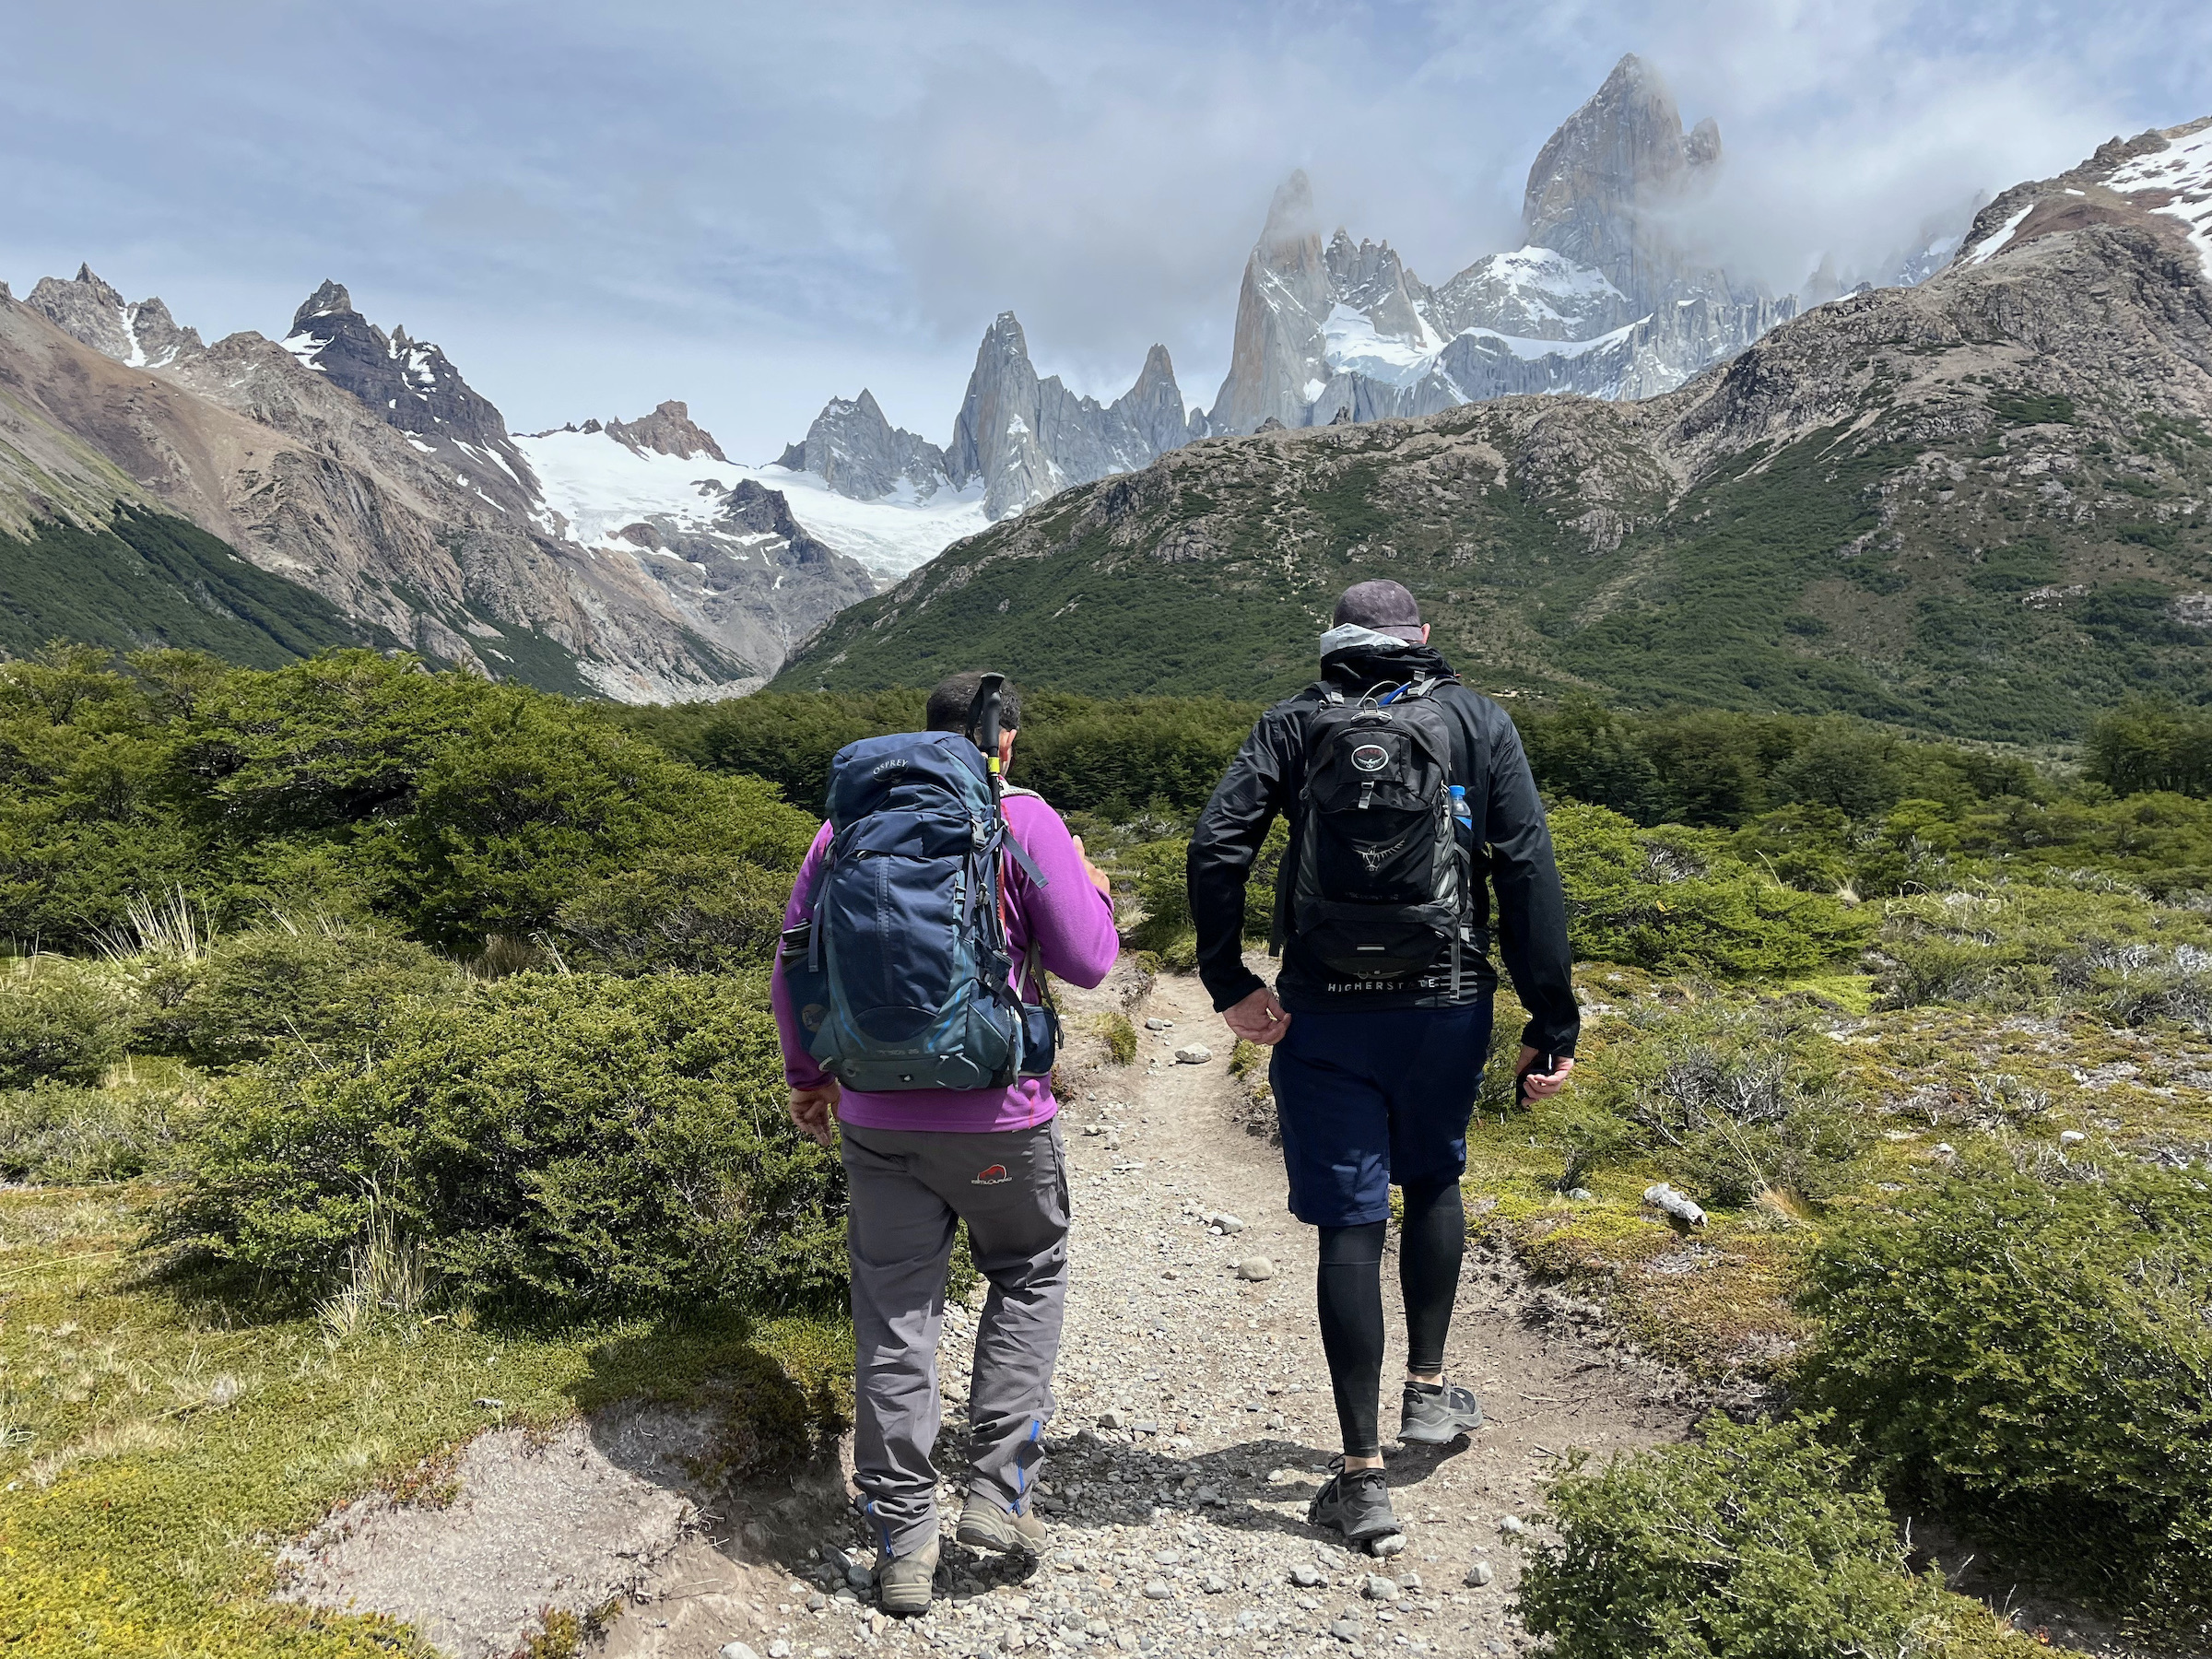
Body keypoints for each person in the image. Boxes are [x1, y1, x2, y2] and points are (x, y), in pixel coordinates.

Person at [1186, 579, 1579, 1550]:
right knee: (1436, 1175)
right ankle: (1430, 1395)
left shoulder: (1293, 724)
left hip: (1323, 1011)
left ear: (1335, 641)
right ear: (1422, 639)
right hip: (1446, 1002)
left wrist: (1228, 977)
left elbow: (1215, 846)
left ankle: (1361, 1479)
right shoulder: (1477, 720)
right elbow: (1526, 865)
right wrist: (1551, 1015)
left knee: (1349, 1228)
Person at [773, 672, 1119, 1617]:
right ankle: (998, 1496)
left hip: (879, 1116)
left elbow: (795, 960)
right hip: (1002, 1113)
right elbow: (1090, 962)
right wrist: (1090, 885)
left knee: (896, 1316)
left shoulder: (842, 827)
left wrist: (810, 1077)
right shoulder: (1022, 816)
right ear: (1000, 738)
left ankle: (900, 1544)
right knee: (1028, 1268)